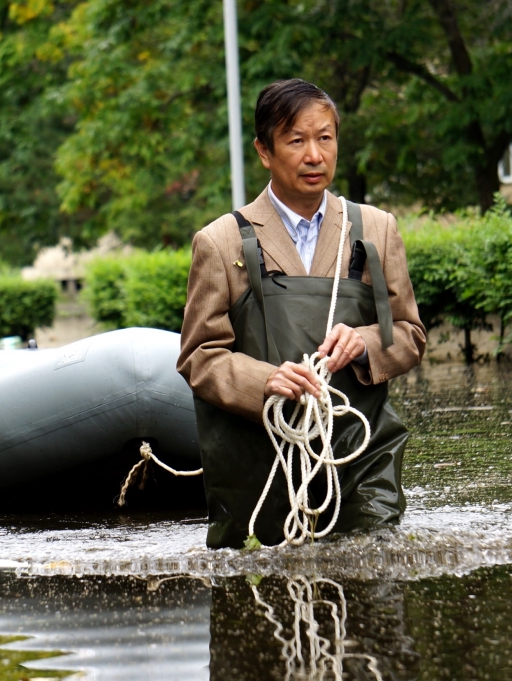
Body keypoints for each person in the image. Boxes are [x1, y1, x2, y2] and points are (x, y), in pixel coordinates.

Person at [177, 79, 426, 549]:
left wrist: (366, 343)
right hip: (261, 469)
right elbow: (199, 357)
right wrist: (265, 381)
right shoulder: (221, 242)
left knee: (373, 583)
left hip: (359, 460)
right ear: (264, 151)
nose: (314, 155)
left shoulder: (376, 228)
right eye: (296, 140)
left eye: (325, 138)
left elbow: (410, 335)